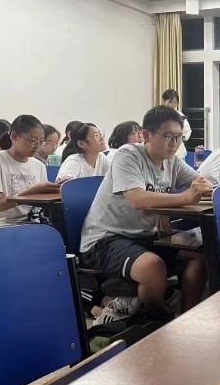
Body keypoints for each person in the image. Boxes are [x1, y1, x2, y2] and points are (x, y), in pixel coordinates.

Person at [80, 106, 212, 319]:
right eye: (168, 136)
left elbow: (202, 184)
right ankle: (158, 319)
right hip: (104, 239)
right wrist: (185, 198)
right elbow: (138, 199)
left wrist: (167, 207)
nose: (174, 143)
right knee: (152, 267)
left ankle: (186, 317)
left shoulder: (172, 162)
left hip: (143, 236)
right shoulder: (128, 155)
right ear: (147, 135)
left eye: (178, 137)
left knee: (201, 254)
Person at [0, 115, 60, 231]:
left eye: (41, 142)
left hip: (31, 222)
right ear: (14, 137)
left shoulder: (39, 165)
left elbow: (41, 201)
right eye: (31, 141)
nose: (36, 146)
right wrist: (31, 192)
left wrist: (56, 189)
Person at [161, 89, 191, 159]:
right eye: (170, 102)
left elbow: (187, 131)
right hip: (163, 148)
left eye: (175, 102)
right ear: (163, 101)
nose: (173, 105)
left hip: (178, 150)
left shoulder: (180, 115)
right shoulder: (158, 114)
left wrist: (180, 136)